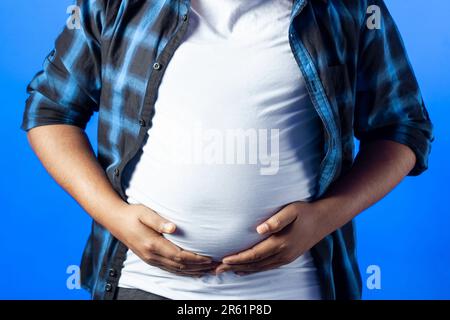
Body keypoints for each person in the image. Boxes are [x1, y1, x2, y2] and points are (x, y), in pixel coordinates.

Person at [21, 0, 433, 300]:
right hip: (142, 286)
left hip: (299, 288)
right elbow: (51, 110)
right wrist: (117, 219)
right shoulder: (116, 4)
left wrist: (325, 218)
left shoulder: (349, 8)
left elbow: (402, 127)